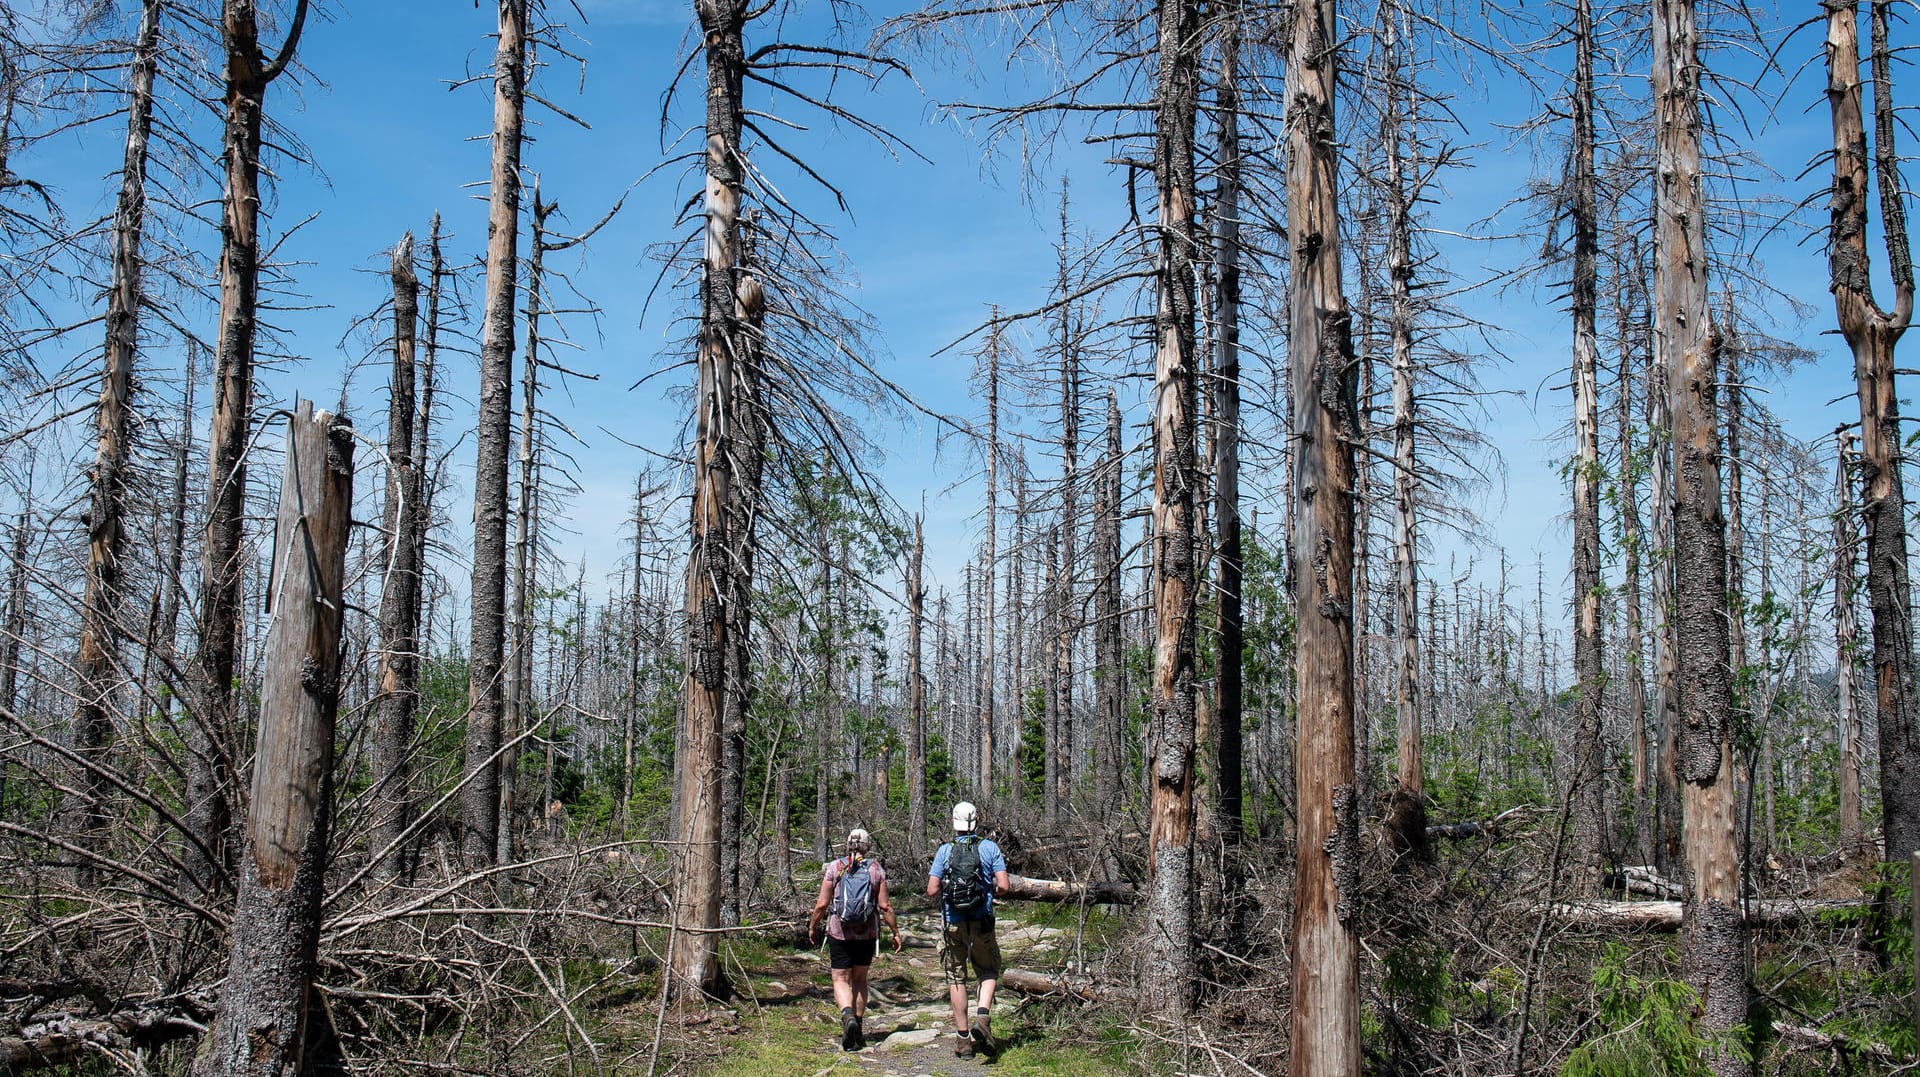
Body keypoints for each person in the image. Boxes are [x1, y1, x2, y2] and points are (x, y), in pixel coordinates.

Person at [927, 801, 1009, 1059]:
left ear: (954, 822)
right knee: (988, 970)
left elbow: (932, 889)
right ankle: (982, 1017)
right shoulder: (989, 848)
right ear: (976, 821)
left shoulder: (944, 851)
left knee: (956, 977)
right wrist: (989, 892)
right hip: (982, 920)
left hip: (953, 922)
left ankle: (963, 1041)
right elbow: (1004, 886)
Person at [808, 828, 900, 1051]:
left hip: (839, 932)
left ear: (847, 844)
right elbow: (885, 906)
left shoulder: (835, 867)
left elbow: (822, 904)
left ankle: (847, 1016)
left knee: (840, 979)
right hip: (866, 933)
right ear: (866, 846)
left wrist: (812, 925)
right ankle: (857, 1026)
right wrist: (895, 932)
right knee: (860, 979)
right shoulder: (875, 869)